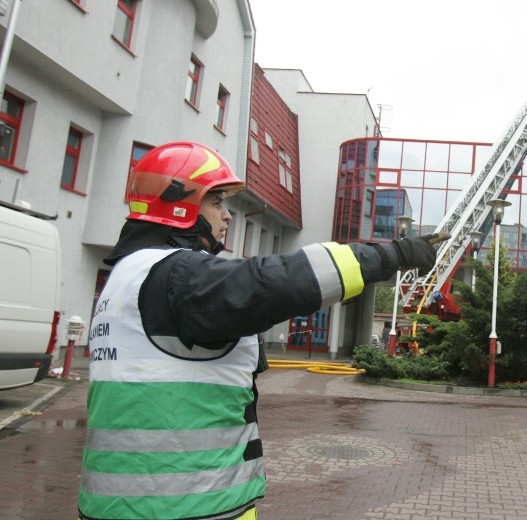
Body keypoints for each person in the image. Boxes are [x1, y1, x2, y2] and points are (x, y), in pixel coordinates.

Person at [78, 141, 445, 520]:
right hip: (183, 503)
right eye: (217, 201)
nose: (227, 215)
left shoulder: (129, 275)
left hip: (135, 501)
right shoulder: (177, 276)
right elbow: (281, 282)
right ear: (180, 203)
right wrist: (393, 256)